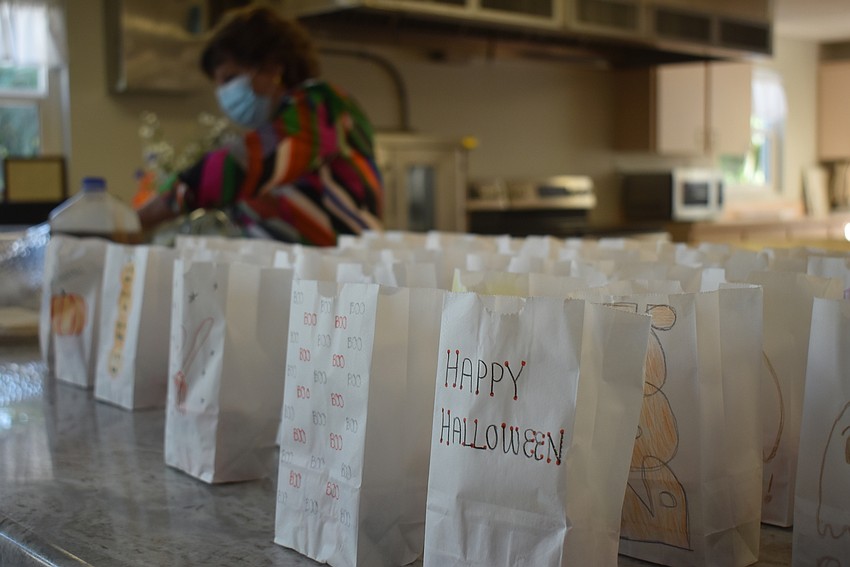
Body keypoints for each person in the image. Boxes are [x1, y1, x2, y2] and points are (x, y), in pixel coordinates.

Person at [137, 6, 383, 245]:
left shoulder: (322, 105)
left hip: (342, 273)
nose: (223, 93)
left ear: (271, 68)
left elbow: (243, 165)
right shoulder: (286, 125)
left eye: (230, 78)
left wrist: (155, 209)